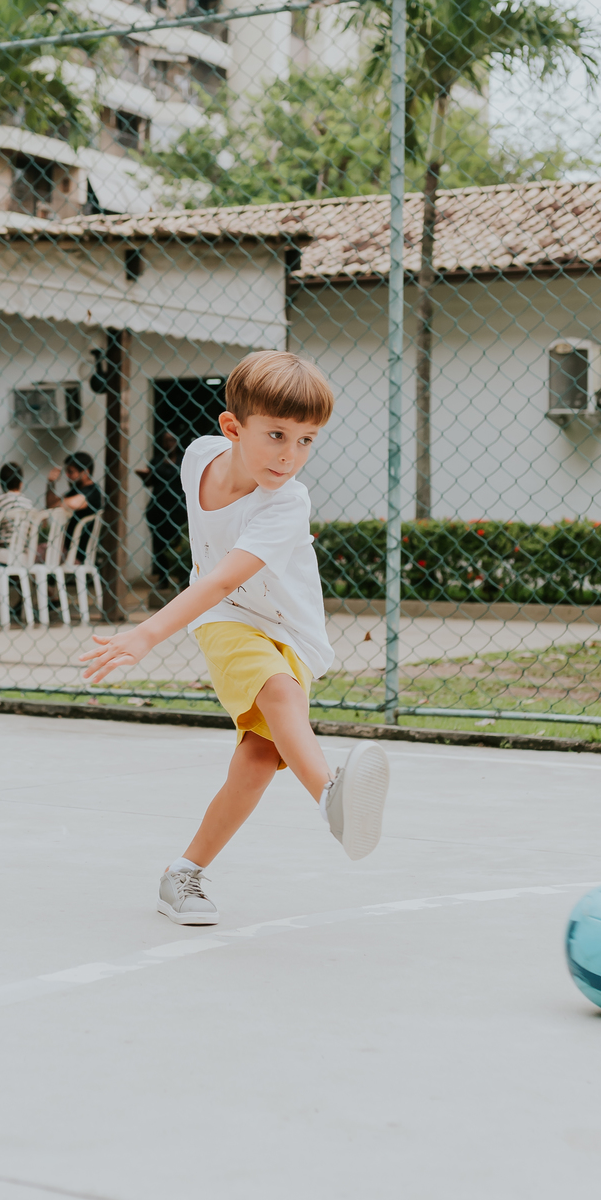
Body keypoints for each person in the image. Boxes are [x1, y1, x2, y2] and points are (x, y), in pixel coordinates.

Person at [80, 350, 389, 927]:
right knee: (276, 690)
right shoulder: (200, 458)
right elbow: (219, 582)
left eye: (306, 441)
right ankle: (331, 798)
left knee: (257, 758)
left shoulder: (288, 502)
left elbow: (231, 567)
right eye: (276, 435)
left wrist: (146, 633)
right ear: (232, 428)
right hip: (224, 613)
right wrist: (147, 636)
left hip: (292, 629)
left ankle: (183, 874)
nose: (289, 455)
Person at [136, 429, 184, 595]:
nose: (169, 443)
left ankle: (181, 578)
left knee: (180, 544)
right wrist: (144, 475)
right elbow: (149, 483)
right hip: (157, 509)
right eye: (166, 440)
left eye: (172, 440)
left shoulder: (183, 459)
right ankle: (163, 579)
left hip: (179, 509)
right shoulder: (156, 460)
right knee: (159, 545)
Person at [46, 451, 103, 558]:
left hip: (77, 552)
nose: (67, 476)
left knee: (32, 553)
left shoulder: (92, 492)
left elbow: (71, 503)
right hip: (67, 548)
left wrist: (60, 503)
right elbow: (51, 505)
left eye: (71, 472)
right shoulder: (76, 490)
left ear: (85, 472)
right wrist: (51, 484)